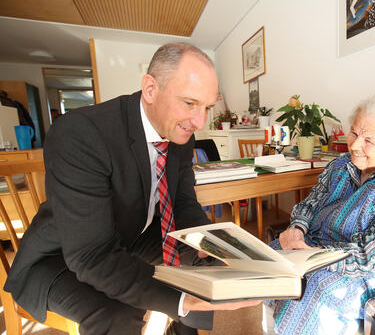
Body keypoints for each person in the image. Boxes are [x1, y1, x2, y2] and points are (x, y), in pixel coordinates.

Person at [4, 43, 258, 335]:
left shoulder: (180, 134)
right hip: (60, 257)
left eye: (207, 107)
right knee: (119, 312)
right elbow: (91, 256)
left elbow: (184, 203)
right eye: (189, 103)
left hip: (129, 234)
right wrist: (181, 301)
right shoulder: (80, 133)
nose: (199, 121)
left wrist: (214, 245)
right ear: (151, 89)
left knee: (197, 263)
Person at [264, 93, 375, 335]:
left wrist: (317, 257)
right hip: (321, 248)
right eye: (355, 133)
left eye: (369, 139)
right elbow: (310, 204)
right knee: (267, 259)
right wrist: (297, 228)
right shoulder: (340, 165)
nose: (355, 145)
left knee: (316, 285)